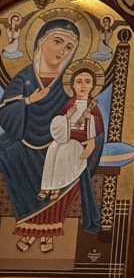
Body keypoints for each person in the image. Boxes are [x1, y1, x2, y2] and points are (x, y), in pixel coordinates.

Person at [1, 11, 104, 252]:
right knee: (7, 154)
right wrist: (27, 101)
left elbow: (84, 111)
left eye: (69, 47)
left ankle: (49, 231)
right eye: (58, 42)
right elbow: (5, 112)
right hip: (24, 138)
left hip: (62, 141)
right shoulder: (25, 77)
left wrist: (88, 139)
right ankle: (27, 229)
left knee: (68, 159)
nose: (62, 51)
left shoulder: (69, 82)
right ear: (40, 41)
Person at [39, 62, 105, 203]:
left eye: (87, 82)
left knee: (64, 150)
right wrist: (67, 117)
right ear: (73, 85)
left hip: (80, 143)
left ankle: (56, 187)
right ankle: (45, 186)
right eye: (79, 81)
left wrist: (91, 119)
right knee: (53, 148)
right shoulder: (69, 104)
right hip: (65, 138)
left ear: (92, 86)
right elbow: (59, 124)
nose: (83, 85)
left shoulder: (92, 106)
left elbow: (98, 129)